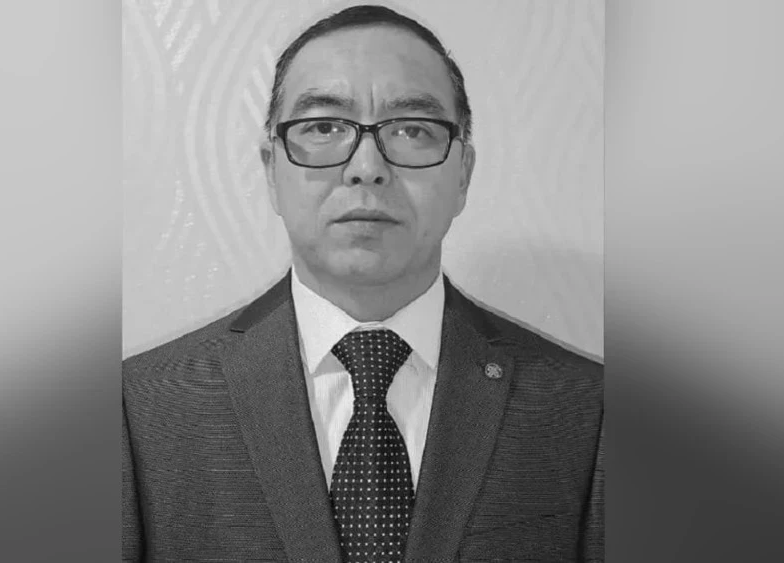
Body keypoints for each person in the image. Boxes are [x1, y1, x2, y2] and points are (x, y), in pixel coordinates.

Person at [122, 4, 603, 561]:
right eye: (324, 127)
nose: (366, 167)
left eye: (412, 129)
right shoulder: (140, 409)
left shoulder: (587, 409)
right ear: (272, 169)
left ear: (463, 175)